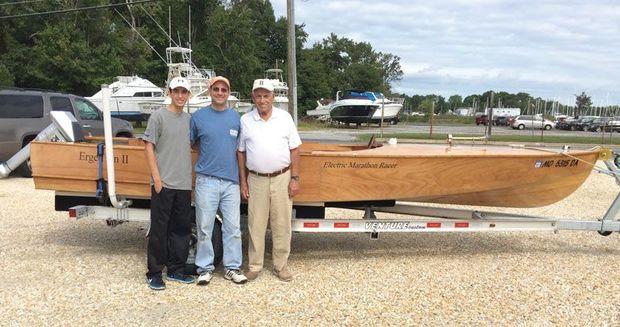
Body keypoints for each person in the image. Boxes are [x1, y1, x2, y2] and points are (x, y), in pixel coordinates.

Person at [237, 78, 302, 282]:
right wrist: (243, 181)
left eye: (266, 95)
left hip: (282, 177)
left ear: (273, 97)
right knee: (255, 224)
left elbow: (295, 149)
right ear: (253, 97)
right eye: (258, 95)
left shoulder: (285, 118)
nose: (262, 99)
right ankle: (255, 266)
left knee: (282, 223)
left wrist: (295, 178)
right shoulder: (245, 120)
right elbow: (240, 152)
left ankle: (280, 265)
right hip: (256, 179)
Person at [191, 76, 247, 285]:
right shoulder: (198, 117)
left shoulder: (236, 118)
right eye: (216, 89)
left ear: (229, 92)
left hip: (231, 182)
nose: (220, 93)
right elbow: (194, 144)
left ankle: (232, 268)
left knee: (233, 228)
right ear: (210, 91)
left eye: (224, 89)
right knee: (204, 227)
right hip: (207, 180)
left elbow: (241, 148)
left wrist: (243, 181)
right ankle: (205, 268)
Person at [143, 77, 196, 290]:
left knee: (181, 229)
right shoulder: (158, 117)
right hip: (163, 183)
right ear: (170, 92)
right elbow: (148, 147)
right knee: (159, 230)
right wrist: (156, 178)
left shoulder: (190, 120)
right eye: (177, 91)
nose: (181, 96)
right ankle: (154, 272)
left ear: (189, 95)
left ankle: (176, 269)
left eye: (184, 92)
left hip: (183, 185)